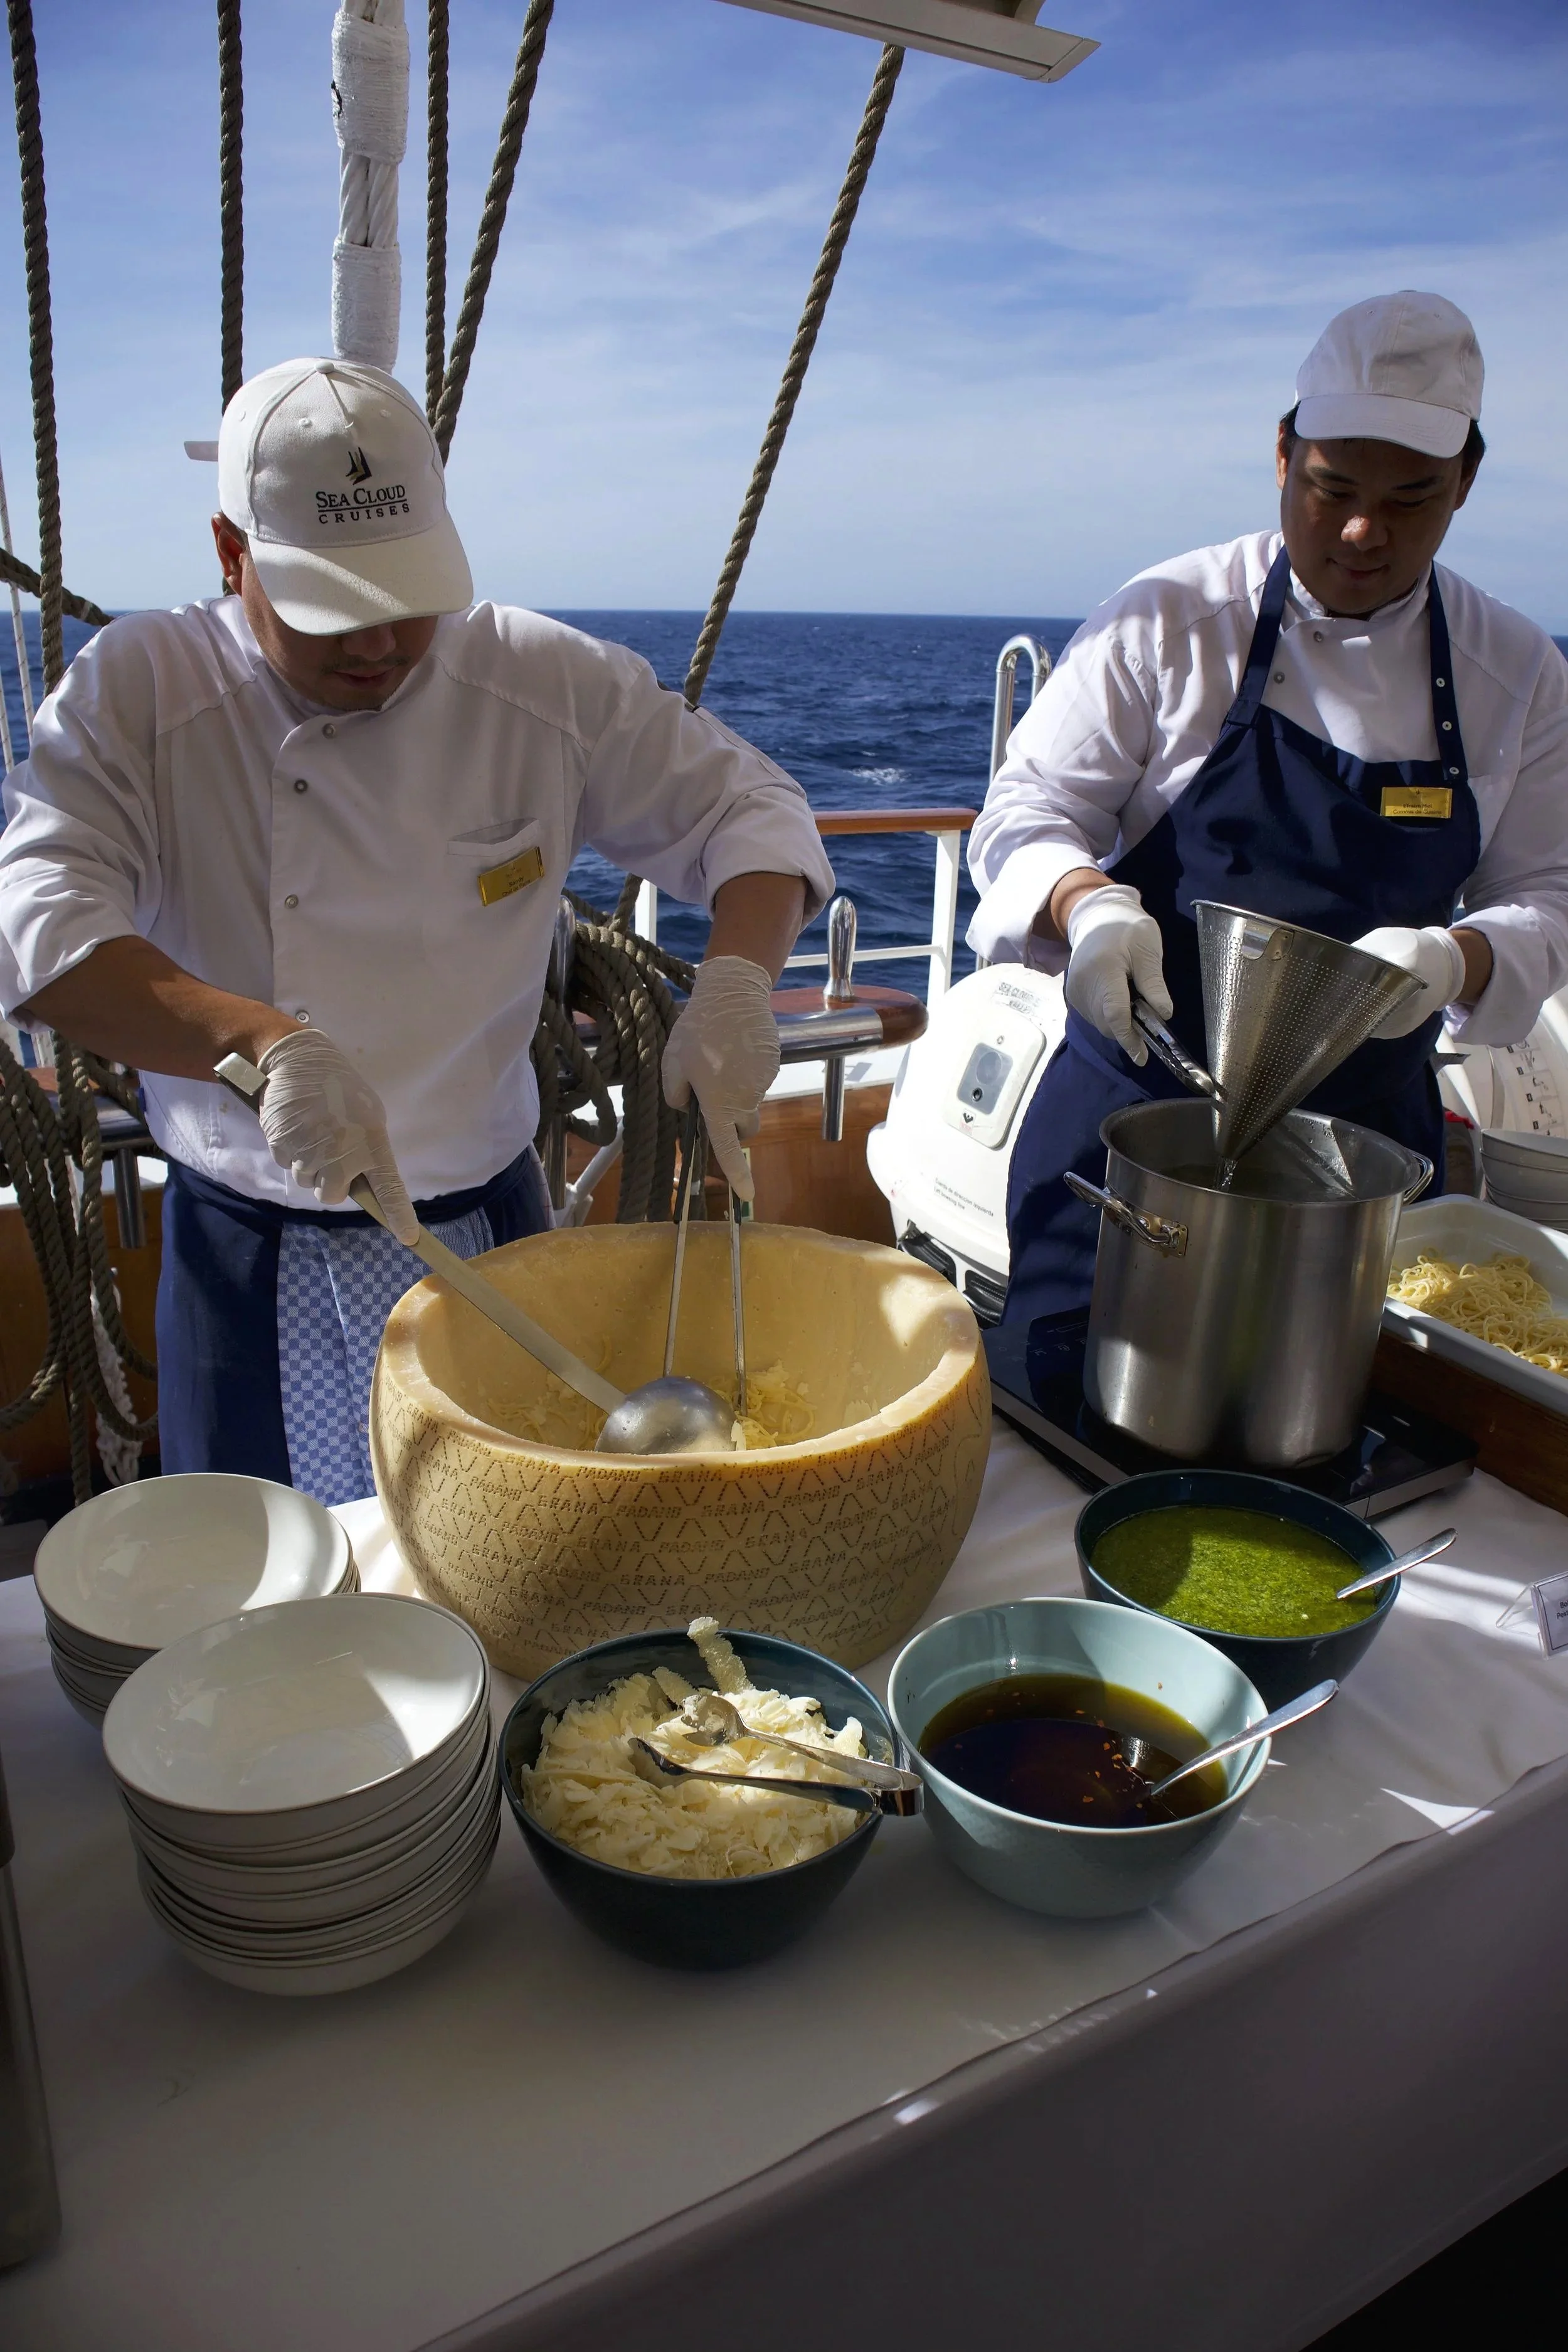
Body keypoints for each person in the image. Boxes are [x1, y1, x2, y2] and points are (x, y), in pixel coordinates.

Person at [0, 358, 834, 1501]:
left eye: (408, 594)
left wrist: (738, 984)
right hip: (246, 1244)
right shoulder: (142, 692)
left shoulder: (538, 681)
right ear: (229, 553)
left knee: (506, 1562)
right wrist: (262, 1042)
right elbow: (38, 922)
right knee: (265, 1597)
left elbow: (753, 810)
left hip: (488, 1223)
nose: (378, 644)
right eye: (333, 608)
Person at [968, 291, 1568, 1327]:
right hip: (1131, 1130)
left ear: (1467, 484)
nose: (1361, 531)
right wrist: (1087, 906)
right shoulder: (1169, 620)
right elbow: (1027, 807)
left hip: (1359, 1167)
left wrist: (1455, 960)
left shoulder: (1514, 672)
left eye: (1412, 498)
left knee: (1336, 1452)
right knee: (1072, 1424)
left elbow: (1548, 895)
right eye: (1332, 487)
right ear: (1283, 455)